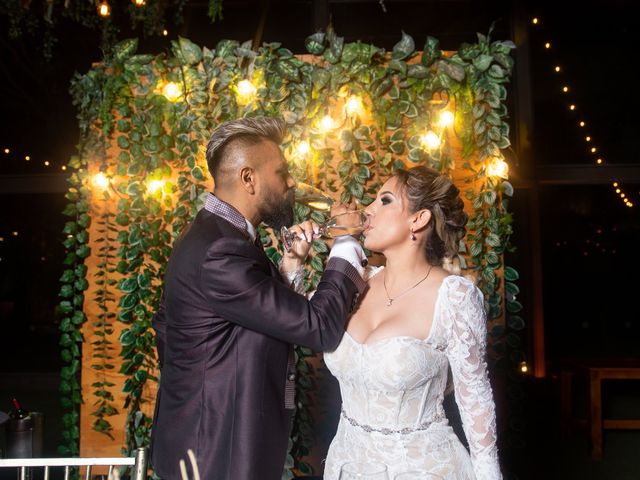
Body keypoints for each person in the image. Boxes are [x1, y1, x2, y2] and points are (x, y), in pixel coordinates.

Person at [150, 116, 367, 480]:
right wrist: (344, 244)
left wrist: (291, 266)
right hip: (215, 454)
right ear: (249, 178)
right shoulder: (221, 249)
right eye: (282, 172)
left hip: (202, 443)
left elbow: (218, 324)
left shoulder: (213, 235)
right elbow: (319, 329)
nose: (292, 182)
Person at [322, 166, 502, 480]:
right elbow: (300, 323)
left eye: (385, 201)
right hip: (345, 466)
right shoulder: (356, 282)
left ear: (418, 219)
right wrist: (292, 263)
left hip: (422, 469)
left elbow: (475, 402)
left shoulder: (454, 297)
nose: (369, 211)